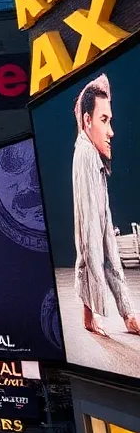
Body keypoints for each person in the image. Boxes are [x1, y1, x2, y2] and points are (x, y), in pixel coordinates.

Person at [70, 74, 140, 336]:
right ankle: (109, 315)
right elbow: (88, 239)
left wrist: (127, 314)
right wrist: (90, 313)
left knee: (107, 243)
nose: (111, 131)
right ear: (87, 121)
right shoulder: (86, 155)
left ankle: (127, 315)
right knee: (95, 241)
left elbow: (104, 243)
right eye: (104, 120)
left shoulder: (91, 154)